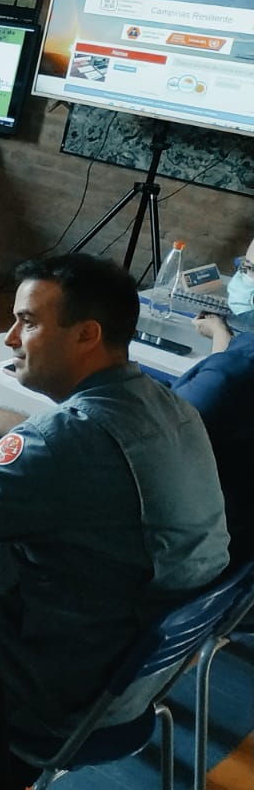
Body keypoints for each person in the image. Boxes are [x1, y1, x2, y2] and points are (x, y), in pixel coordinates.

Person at [0, 254, 228, 752]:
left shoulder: (66, 441)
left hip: (45, 689)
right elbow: (41, 447)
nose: (11, 338)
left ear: (87, 334)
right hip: (123, 678)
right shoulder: (169, 407)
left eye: (28, 322)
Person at [173, 234, 254, 559]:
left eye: (247, 269)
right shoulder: (237, 360)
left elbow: (157, 442)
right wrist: (222, 335)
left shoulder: (232, 373)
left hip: (204, 544)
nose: (240, 278)